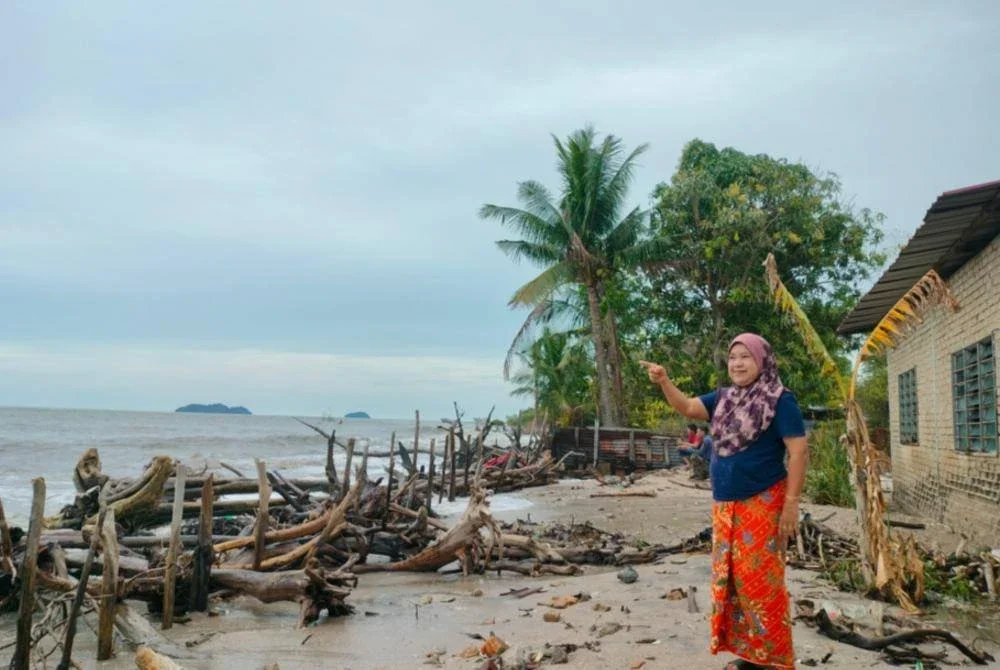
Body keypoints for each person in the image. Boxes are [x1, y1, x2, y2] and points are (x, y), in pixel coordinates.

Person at [640, 333, 808, 670]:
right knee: (732, 582)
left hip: (762, 501)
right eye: (733, 357)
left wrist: (791, 504)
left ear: (761, 361)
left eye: (745, 356)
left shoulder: (779, 399)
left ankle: (776, 661)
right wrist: (664, 381)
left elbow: (799, 450)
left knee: (762, 585)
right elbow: (687, 406)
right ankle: (753, 656)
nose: (738, 363)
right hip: (725, 506)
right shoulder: (723, 398)